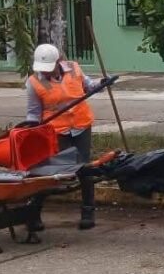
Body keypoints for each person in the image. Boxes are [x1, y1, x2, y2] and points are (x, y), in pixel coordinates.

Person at [25, 43, 116, 230]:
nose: (47, 72)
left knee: (84, 169)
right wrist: (31, 130)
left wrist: (102, 83)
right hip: (56, 131)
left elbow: (88, 86)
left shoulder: (74, 68)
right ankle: (33, 214)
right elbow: (33, 113)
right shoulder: (34, 82)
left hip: (81, 126)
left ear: (59, 61)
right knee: (50, 172)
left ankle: (88, 212)